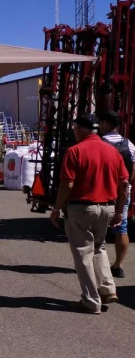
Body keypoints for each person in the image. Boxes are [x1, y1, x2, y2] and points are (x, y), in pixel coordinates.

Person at [50, 113, 128, 314]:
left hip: (81, 207)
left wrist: (56, 208)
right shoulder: (113, 151)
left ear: (81, 129)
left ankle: (91, 300)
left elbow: (67, 184)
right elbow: (124, 184)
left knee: (83, 252)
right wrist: (119, 211)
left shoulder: (75, 151)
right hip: (107, 207)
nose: (74, 131)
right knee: (99, 247)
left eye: (75, 127)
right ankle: (107, 288)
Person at [97, 110, 135, 278]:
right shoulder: (130, 144)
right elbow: (132, 171)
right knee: (122, 229)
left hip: (102, 192)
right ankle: (118, 265)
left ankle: (97, 264)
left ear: (105, 123)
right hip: (123, 192)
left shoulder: (100, 143)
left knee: (97, 228)